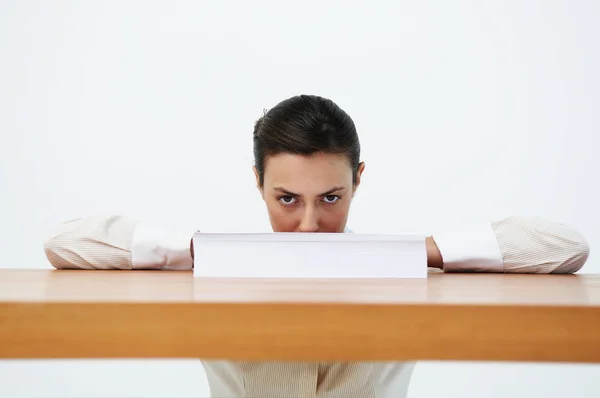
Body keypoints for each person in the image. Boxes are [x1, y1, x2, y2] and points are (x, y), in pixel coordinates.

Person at [44, 94, 590, 398]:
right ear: (257, 182)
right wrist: (198, 249)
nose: (309, 224)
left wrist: (417, 254)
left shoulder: (404, 271)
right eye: (286, 199)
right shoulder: (213, 270)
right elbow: (64, 244)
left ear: (358, 181)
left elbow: (565, 248)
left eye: (331, 197)